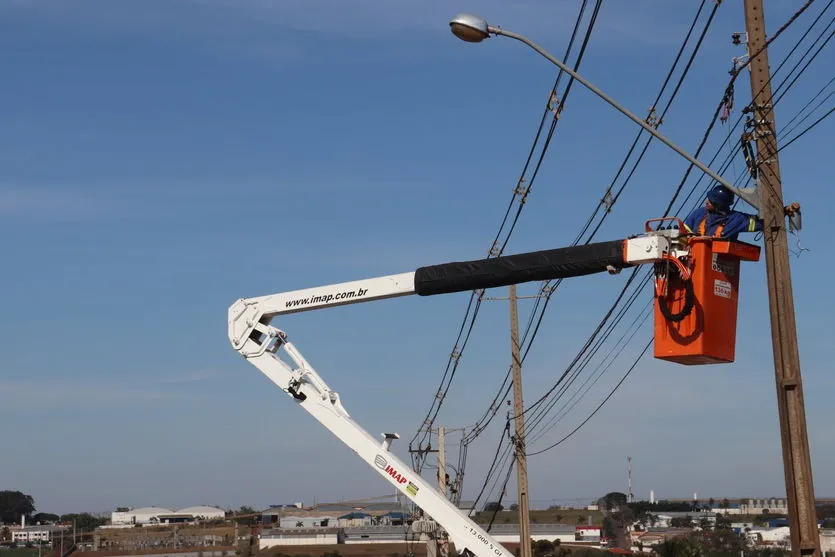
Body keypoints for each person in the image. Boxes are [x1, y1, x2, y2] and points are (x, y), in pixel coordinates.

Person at [682, 184, 801, 241]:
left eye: (711, 201)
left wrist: (784, 211)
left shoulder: (736, 219)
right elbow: (682, 235)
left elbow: (762, 223)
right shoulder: (698, 214)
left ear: (720, 205)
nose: (706, 202)